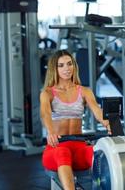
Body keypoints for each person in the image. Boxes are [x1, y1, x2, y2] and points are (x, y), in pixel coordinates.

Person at [40, 50, 110, 190]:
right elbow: (45, 114)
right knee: (62, 153)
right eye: (61, 65)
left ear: (74, 66)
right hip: (57, 148)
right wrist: (51, 131)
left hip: (79, 148)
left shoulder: (84, 91)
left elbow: (97, 110)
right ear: (55, 68)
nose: (66, 69)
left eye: (69, 64)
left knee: (101, 154)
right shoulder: (47, 93)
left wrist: (108, 123)